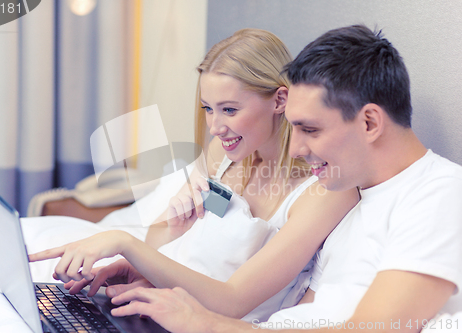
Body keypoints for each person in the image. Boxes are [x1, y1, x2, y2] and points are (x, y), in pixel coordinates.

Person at [75, 25, 462, 333]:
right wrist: (157, 282)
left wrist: (207, 324)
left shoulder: (439, 193)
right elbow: (302, 309)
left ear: (369, 122)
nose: (295, 149)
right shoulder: (353, 190)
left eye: (310, 130)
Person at [29, 28, 358, 322]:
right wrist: (147, 260)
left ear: (279, 100)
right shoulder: (225, 155)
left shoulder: (324, 191)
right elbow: (159, 241)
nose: (215, 127)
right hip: (161, 308)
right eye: (208, 108)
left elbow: (233, 302)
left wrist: (124, 243)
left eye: (230, 109)